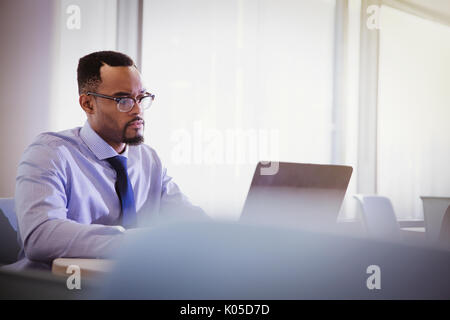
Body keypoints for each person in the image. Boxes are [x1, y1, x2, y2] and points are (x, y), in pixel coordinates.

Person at [10, 51, 207, 270]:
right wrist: (138, 242)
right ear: (88, 104)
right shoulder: (50, 153)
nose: (138, 110)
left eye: (141, 98)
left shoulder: (148, 159)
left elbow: (192, 222)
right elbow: (41, 237)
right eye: (123, 100)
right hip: (51, 288)